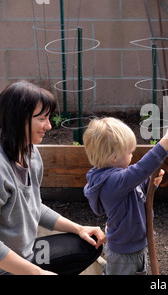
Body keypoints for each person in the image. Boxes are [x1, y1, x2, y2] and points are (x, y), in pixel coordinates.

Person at [0, 80, 106, 275]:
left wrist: (79, 228)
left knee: (89, 244)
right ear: (18, 118)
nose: (48, 126)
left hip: (30, 254)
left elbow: (34, 207)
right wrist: (36, 273)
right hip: (6, 267)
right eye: (42, 118)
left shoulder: (31, 155)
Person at [83, 117, 168, 275]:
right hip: (125, 254)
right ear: (114, 157)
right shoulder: (111, 182)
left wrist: (150, 183)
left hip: (133, 248)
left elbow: (135, 190)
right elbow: (141, 170)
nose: (132, 156)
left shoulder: (117, 179)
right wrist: (165, 143)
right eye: (129, 152)